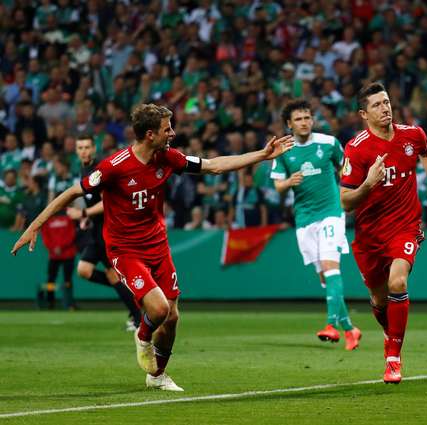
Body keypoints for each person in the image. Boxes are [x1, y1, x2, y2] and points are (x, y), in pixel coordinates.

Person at [11, 104, 294, 391]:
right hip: (125, 250)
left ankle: (157, 375)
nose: (172, 133)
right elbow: (72, 192)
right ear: (150, 134)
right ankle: (143, 336)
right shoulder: (113, 167)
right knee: (158, 310)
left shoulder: (168, 157)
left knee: (172, 317)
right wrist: (34, 225)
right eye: (166, 129)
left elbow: (213, 165)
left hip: (157, 245)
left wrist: (262, 154)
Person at [340, 82, 427, 383]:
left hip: (405, 226)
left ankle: (393, 357)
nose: (385, 108)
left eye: (386, 102)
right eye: (376, 105)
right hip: (370, 235)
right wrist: (368, 184)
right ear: (364, 113)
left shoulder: (412, 135)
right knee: (378, 299)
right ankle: (392, 331)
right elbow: (345, 201)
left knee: (397, 281)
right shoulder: (357, 149)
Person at [271, 99, 361, 350]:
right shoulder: (284, 150)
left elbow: (346, 171)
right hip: (304, 220)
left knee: (332, 269)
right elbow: (277, 185)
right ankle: (351, 329)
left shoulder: (329, 143)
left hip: (331, 213)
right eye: (298, 119)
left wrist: (350, 193)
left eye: (307, 117)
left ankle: (331, 325)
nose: (304, 122)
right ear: (289, 124)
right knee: (324, 277)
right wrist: (290, 182)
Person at [65, 137, 142, 331]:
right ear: (76, 150)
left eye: (87, 147)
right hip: (96, 230)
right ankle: (134, 298)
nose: (84, 151)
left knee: (112, 275)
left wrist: (82, 213)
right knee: (85, 270)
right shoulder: (83, 170)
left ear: (94, 148)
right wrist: (88, 218)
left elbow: (106, 202)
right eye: (80, 147)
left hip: (108, 231)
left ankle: (138, 316)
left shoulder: (98, 171)